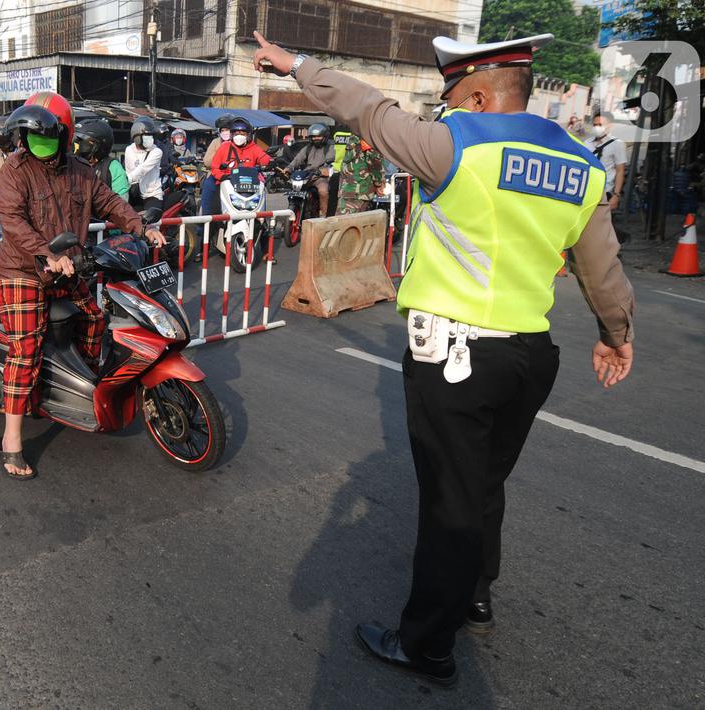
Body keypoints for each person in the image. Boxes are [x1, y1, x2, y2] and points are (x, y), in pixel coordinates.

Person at [253, 30, 635, 686]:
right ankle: (475, 598)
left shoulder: (458, 147)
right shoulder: (581, 165)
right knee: (483, 488)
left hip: (455, 358)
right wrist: (615, 333)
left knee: (450, 504)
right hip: (528, 361)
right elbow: (600, 267)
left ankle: (427, 644)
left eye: (451, 98)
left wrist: (297, 65)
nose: (443, 111)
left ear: (482, 95)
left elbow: (369, 110)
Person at [0, 91, 165, 479]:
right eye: (29, 137)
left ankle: (78, 387)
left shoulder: (83, 172)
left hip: (67, 270)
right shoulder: (14, 170)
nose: (35, 144)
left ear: (65, 135)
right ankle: (11, 439)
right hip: (23, 271)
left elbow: (111, 204)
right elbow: (13, 221)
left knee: (95, 320)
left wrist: (142, 227)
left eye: (46, 136)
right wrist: (46, 253)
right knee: (25, 349)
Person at [207, 116, 273, 192]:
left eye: (242, 134)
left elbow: (263, 157)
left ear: (248, 135)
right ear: (232, 135)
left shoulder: (254, 148)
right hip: (226, 182)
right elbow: (214, 167)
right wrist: (222, 176)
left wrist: (270, 161)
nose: (239, 136)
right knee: (209, 189)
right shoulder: (224, 147)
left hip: (249, 183)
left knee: (261, 195)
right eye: (236, 133)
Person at [586, 112, 627, 214]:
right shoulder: (587, 143)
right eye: (595, 125)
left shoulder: (618, 144)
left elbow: (620, 171)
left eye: (600, 125)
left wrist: (616, 195)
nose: (596, 127)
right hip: (587, 190)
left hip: (605, 192)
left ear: (610, 125)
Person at [289, 123, 333, 216]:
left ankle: (323, 215)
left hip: (320, 177)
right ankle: (294, 208)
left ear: (325, 136)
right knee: (294, 190)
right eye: (313, 137)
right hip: (307, 176)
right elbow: (297, 159)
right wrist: (287, 168)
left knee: (323, 191)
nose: (315, 139)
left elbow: (331, 160)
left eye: (318, 136)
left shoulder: (330, 147)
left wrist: (323, 170)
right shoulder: (308, 147)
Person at [75, 119, 128, 197]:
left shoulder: (112, 167)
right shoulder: (73, 164)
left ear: (99, 146)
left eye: (82, 141)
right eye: (77, 141)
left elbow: (122, 203)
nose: (78, 145)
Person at [125, 116, 164, 223]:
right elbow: (130, 170)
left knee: (150, 219)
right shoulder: (129, 150)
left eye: (151, 136)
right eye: (147, 135)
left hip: (151, 195)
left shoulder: (157, 152)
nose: (150, 139)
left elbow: (142, 169)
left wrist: (125, 179)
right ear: (137, 136)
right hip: (134, 193)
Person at [336, 135, 386, 215]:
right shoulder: (369, 137)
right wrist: (379, 183)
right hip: (359, 191)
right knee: (351, 223)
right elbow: (375, 162)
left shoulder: (356, 136)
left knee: (344, 222)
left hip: (349, 189)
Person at [199, 114, 234, 216]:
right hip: (215, 175)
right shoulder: (216, 142)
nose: (225, 132)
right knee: (208, 189)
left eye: (227, 130)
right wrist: (220, 151)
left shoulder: (237, 142)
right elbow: (207, 162)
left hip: (234, 176)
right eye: (223, 130)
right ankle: (203, 225)